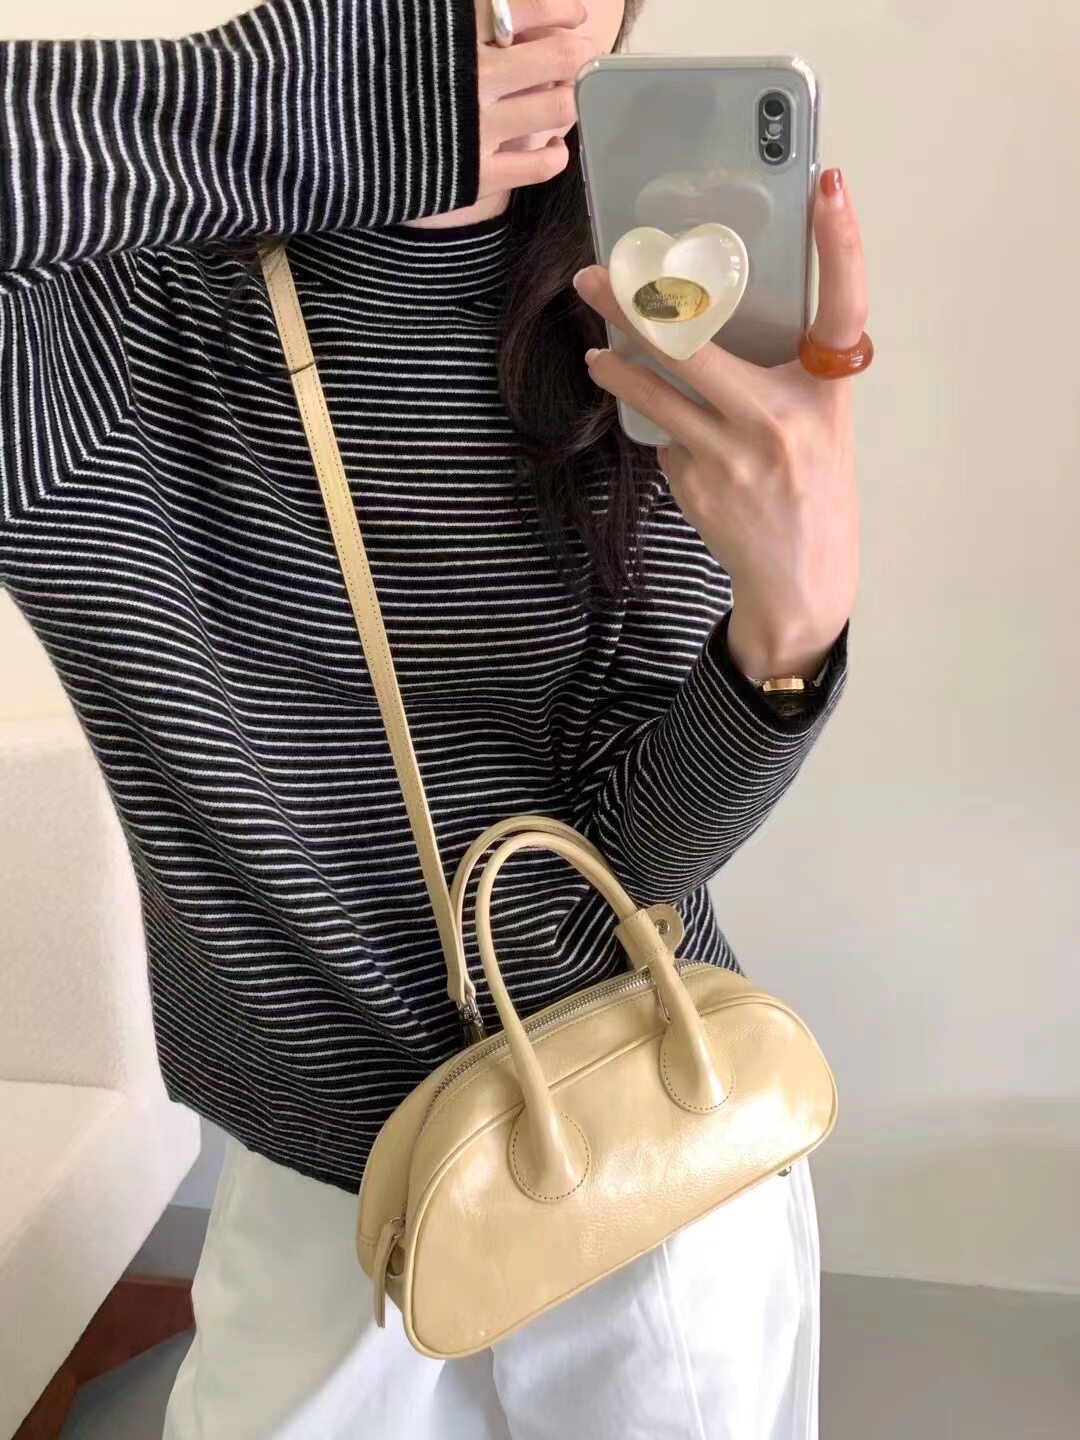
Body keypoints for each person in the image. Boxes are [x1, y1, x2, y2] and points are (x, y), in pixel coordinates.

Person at [0, 1, 869, 1435]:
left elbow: (610, 865)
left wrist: (790, 632)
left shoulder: (649, 276)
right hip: (325, 1221)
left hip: (659, 1147)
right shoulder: (98, 326)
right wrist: (298, 112)